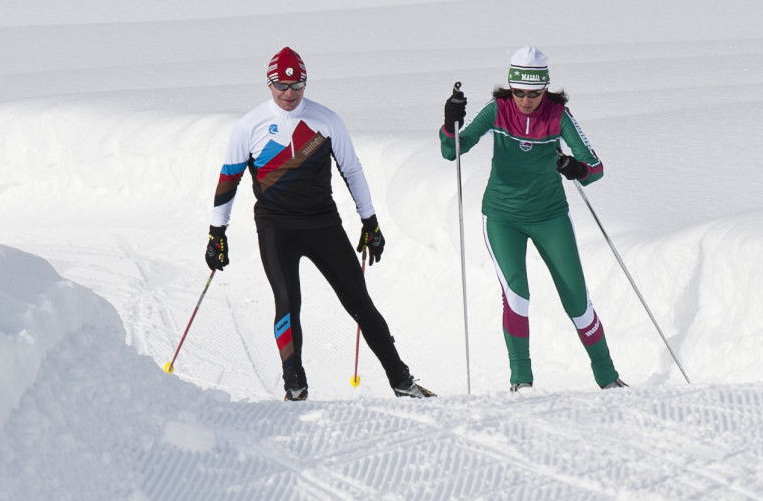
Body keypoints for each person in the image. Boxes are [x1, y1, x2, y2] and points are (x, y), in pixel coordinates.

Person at [209, 47, 433, 401]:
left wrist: (370, 222)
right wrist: (216, 233)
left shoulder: (326, 121)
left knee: (360, 302)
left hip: (322, 224)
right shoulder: (249, 126)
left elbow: (352, 170)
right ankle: (295, 385)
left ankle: (402, 381)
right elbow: (228, 179)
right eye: (282, 86)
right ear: (269, 84)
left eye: (297, 86)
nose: (289, 94)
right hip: (276, 226)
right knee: (287, 302)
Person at [439, 46, 623, 392]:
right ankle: (521, 382)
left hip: (549, 216)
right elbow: (453, 151)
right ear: (510, 88)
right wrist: (450, 123)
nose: (525, 100)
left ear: (545, 89)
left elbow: (595, 168)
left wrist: (577, 168)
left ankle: (608, 378)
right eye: (519, 92)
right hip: (502, 217)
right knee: (517, 296)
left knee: (578, 302)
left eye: (534, 93)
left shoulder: (558, 115)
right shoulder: (498, 110)